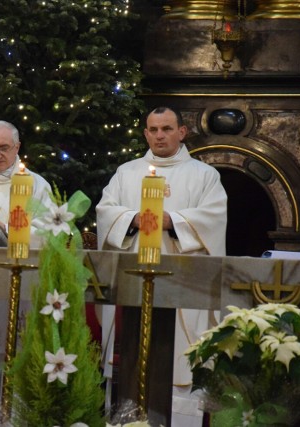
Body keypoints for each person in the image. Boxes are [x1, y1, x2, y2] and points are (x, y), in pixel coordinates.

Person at [96, 106, 227, 427]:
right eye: (153, 130)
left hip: (182, 287)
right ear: (145, 134)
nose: (159, 136)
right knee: (130, 364)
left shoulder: (204, 175)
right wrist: (132, 218)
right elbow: (105, 211)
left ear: (181, 132)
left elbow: (214, 218)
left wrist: (176, 221)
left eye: (167, 129)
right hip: (133, 283)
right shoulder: (126, 173)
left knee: (179, 366)